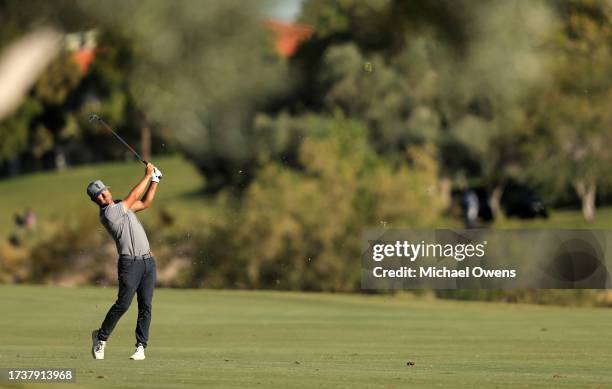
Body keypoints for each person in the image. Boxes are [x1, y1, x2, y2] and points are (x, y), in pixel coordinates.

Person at [87, 162, 162, 361]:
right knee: (123, 304)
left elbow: (144, 203)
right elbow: (134, 197)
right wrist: (147, 175)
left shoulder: (121, 207)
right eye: (99, 196)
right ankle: (100, 337)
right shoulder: (109, 213)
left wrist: (155, 181)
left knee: (146, 306)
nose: (103, 196)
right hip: (130, 264)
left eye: (104, 192)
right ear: (96, 200)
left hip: (148, 262)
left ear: (108, 191)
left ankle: (140, 347)